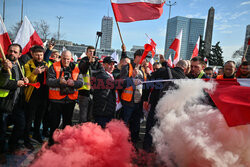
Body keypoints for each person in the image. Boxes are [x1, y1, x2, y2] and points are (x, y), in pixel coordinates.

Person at [142, 60, 188, 152]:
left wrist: (145, 99)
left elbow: (147, 83)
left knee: (151, 127)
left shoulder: (162, 71)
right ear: (185, 68)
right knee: (166, 129)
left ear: (176, 65)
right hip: (171, 108)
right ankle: (162, 152)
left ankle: (146, 150)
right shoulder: (185, 78)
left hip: (156, 104)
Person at [46, 50, 83, 146]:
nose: (66, 61)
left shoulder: (75, 67)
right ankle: (52, 142)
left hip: (70, 100)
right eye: (64, 58)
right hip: (56, 100)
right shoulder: (54, 66)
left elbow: (81, 83)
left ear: (71, 58)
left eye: (68, 59)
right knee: (54, 123)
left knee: (67, 123)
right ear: (61, 57)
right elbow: (49, 81)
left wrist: (73, 83)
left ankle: (66, 142)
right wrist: (59, 81)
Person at [0, 44, 29, 153]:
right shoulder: (2, 64)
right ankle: (1, 153)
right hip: (4, 103)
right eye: (10, 51)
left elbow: (21, 80)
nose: (12, 53)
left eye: (15, 52)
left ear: (20, 55)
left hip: (17, 104)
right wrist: (16, 83)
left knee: (20, 126)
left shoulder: (19, 65)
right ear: (6, 51)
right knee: (1, 131)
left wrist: (25, 81)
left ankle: (12, 146)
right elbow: (2, 83)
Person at [120, 48, 146, 146]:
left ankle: (133, 144)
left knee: (136, 124)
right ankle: (122, 143)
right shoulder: (127, 67)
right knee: (125, 123)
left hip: (138, 103)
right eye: (143, 58)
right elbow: (121, 82)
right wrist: (131, 79)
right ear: (138, 57)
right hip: (128, 102)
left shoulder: (143, 69)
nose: (145, 60)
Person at [24, 45, 49, 148]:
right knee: (29, 118)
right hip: (32, 95)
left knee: (39, 117)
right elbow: (27, 80)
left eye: (41, 55)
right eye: (37, 55)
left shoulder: (45, 64)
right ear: (32, 54)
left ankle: (37, 134)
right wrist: (34, 73)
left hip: (44, 95)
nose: (39, 57)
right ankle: (26, 139)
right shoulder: (28, 65)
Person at [78, 46, 103, 123]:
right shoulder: (83, 61)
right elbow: (83, 69)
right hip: (84, 92)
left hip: (94, 93)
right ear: (86, 52)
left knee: (91, 116)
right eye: (90, 51)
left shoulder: (97, 63)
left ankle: (88, 133)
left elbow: (101, 72)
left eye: (93, 52)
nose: (92, 53)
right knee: (83, 117)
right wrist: (89, 62)